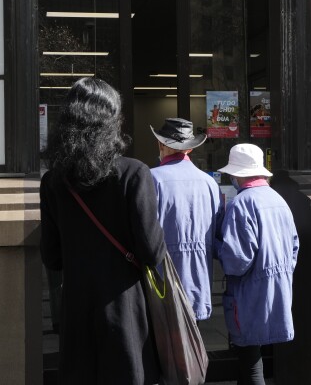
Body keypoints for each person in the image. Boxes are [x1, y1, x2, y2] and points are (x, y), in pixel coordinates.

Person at [40, 77, 166, 384]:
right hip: (125, 309)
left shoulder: (54, 182)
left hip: (76, 312)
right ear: (111, 121)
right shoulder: (134, 173)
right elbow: (152, 252)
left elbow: (52, 258)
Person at [216, 143, 298, 385]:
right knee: (253, 358)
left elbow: (237, 261)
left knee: (250, 361)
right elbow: (294, 247)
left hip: (249, 295)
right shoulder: (278, 199)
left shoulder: (241, 204)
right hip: (277, 291)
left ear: (237, 174)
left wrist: (217, 247)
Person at [150, 118, 223, 321]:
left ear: (161, 144)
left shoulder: (151, 179)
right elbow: (219, 234)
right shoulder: (209, 184)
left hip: (162, 284)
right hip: (199, 283)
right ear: (189, 149)